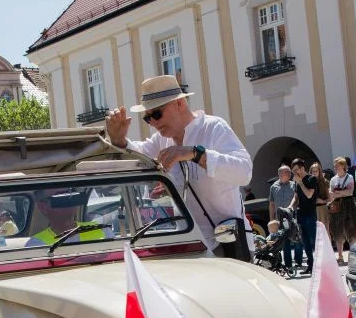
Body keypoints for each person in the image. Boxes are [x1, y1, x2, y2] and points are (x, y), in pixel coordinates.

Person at [105, 75, 253, 257]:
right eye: (148, 118)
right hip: (193, 246)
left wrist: (196, 154)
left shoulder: (213, 128)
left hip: (230, 243)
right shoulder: (161, 140)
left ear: (180, 103)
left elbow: (244, 172)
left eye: (157, 114)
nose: (154, 122)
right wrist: (118, 140)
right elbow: (136, 156)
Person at [24, 188, 114, 247]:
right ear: (43, 207)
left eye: (71, 194)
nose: (69, 198)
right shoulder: (36, 244)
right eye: (61, 197)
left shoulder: (103, 230)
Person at [288, 158, 318, 274]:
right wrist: (290, 207)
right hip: (300, 215)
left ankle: (320, 266)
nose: (295, 173)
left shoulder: (311, 179)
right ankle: (311, 266)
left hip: (310, 215)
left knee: (313, 241)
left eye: (296, 170)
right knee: (305, 242)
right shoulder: (297, 181)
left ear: (302, 168)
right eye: (293, 171)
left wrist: (300, 182)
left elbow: (309, 195)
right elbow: (296, 198)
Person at [268, 165, 301, 269]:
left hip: (293, 217)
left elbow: (297, 200)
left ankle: (298, 261)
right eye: (287, 172)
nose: (289, 174)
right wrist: (271, 218)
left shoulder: (293, 185)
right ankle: (288, 264)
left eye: (289, 172)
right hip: (280, 219)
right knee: (284, 241)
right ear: (280, 174)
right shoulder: (273, 187)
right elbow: (272, 204)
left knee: (296, 239)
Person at [327, 157, 356, 265]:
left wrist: (337, 193)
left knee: (352, 229)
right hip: (336, 206)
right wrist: (341, 193)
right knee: (337, 230)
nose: (336, 167)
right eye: (335, 165)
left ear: (343, 166)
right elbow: (330, 194)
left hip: (348, 205)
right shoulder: (333, 179)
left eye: (338, 165)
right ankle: (340, 256)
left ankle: (353, 255)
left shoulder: (349, 176)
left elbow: (350, 192)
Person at [309, 161, 331, 228]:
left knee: (325, 231)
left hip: (322, 209)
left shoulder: (325, 182)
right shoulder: (308, 182)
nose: (315, 173)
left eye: (316, 171)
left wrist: (323, 201)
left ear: (319, 172)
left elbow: (330, 197)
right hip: (312, 209)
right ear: (311, 172)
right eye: (313, 171)